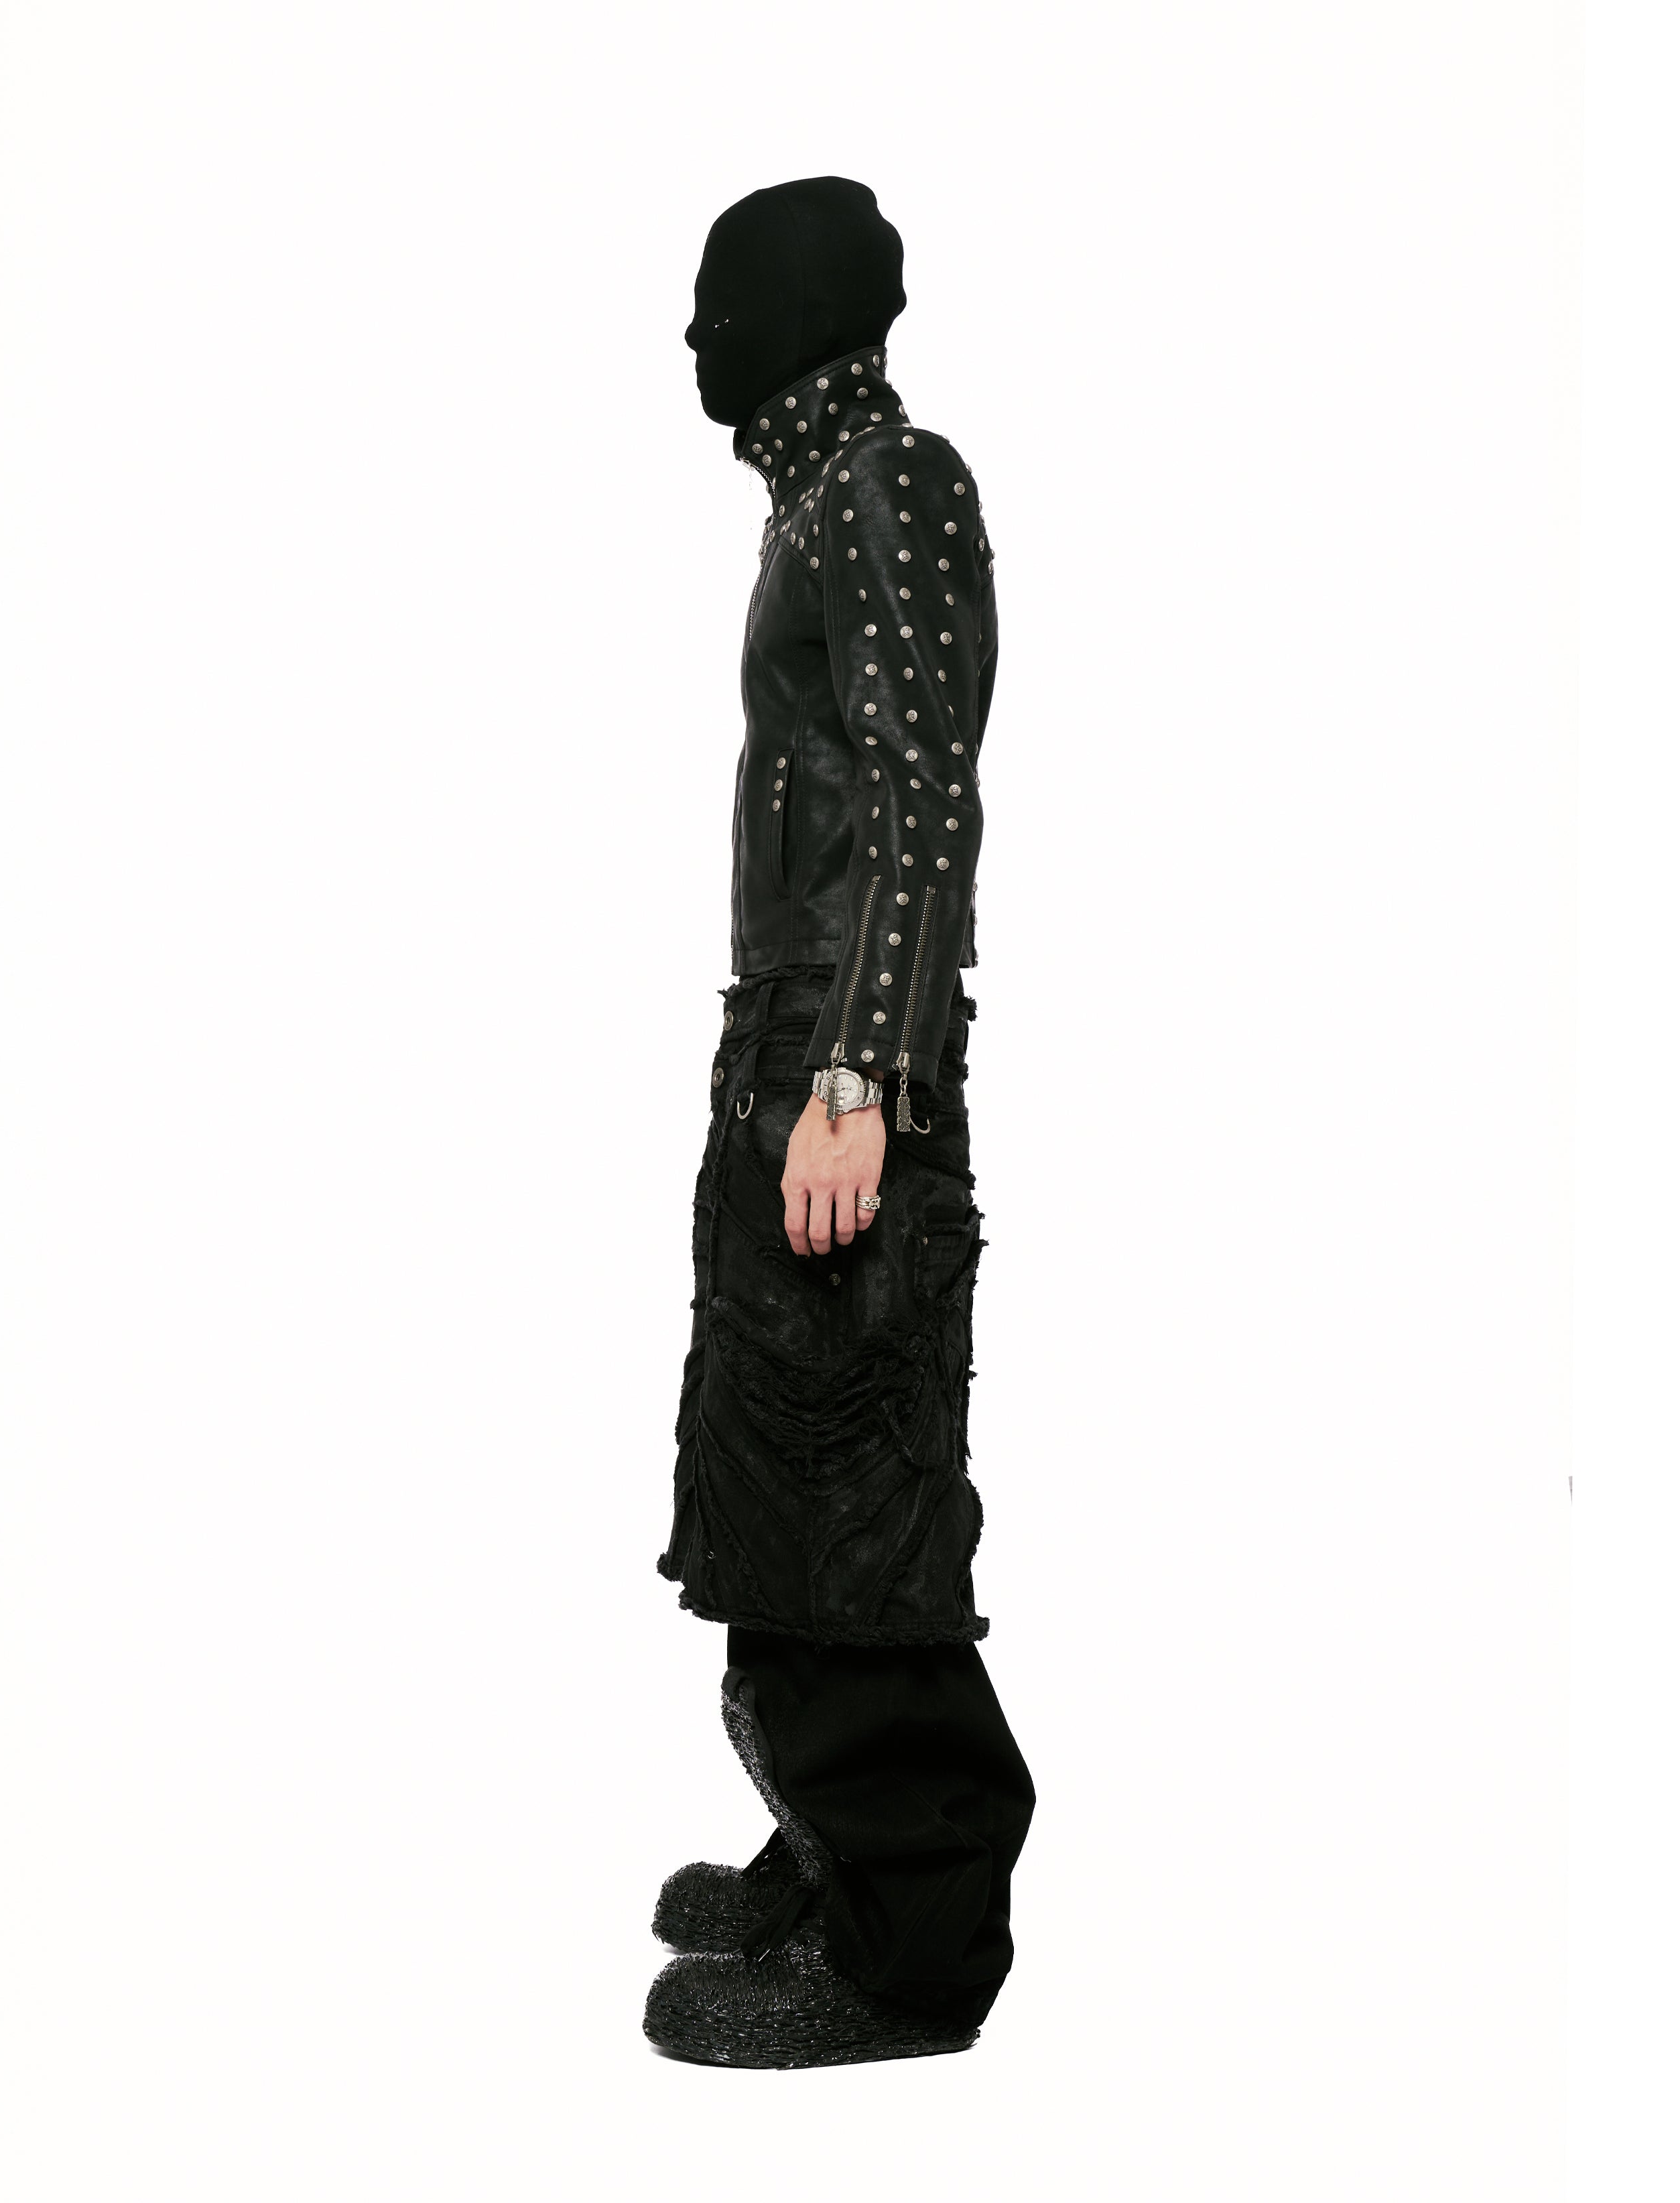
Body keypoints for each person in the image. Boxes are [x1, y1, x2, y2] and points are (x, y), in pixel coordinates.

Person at [645, 178, 1033, 2070]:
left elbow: (922, 804)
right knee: (783, 1477)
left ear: (796, 310)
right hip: (788, 1046)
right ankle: (833, 1843)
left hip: (839, 1063)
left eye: (717, 300)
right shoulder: (822, 497)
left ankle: (913, 1950)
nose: (693, 339)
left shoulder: (891, 483)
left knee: (855, 1489)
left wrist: (858, 1080)